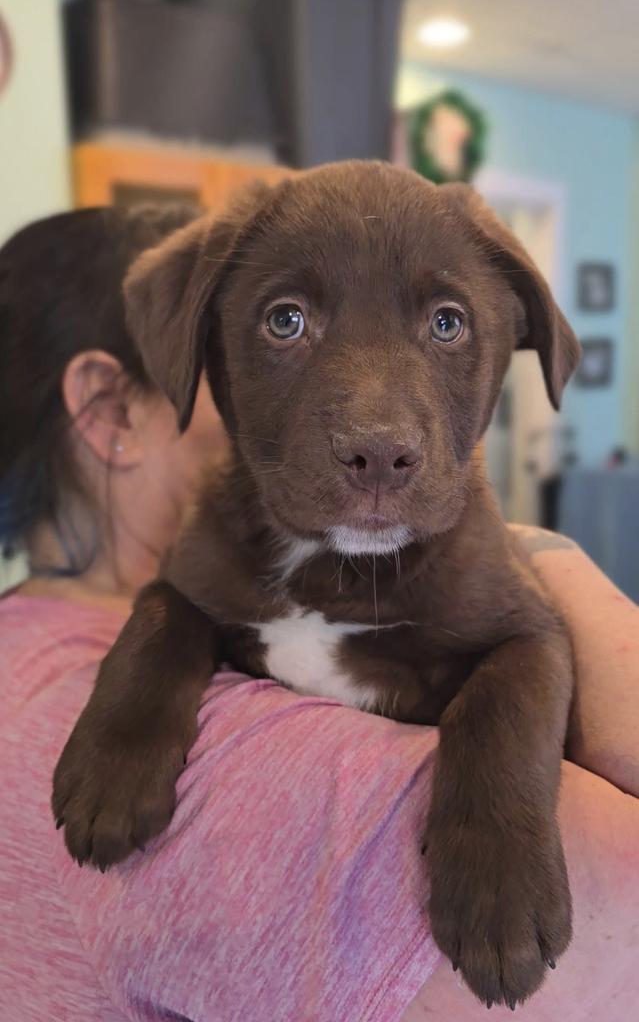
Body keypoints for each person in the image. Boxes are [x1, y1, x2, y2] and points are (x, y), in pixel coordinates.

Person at [0, 207, 637, 1022]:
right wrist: (555, 559)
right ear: (110, 408)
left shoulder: (28, 645)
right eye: (284, 321)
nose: (377, 426)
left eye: (447, 323)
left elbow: (517, 644)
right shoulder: (190, 745)